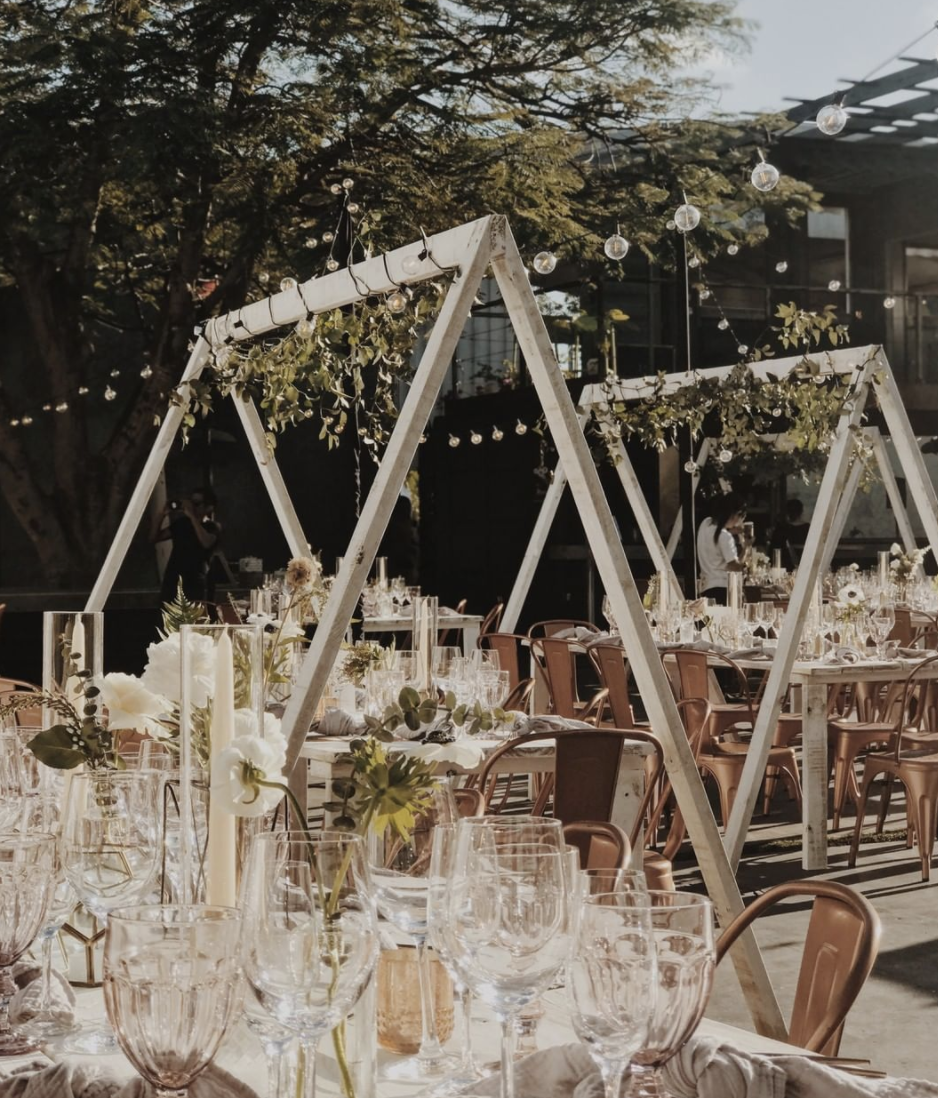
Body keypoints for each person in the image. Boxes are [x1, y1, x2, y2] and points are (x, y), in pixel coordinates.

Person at [151, 488, 221, 605]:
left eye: (197, 504)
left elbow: (206, 542)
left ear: (209, 508)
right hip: (173, 578)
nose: (192, 507)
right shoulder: (182, 523)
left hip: (195, 580)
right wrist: (162, 514)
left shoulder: (212, 526)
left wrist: (192, 517)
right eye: (191, 502)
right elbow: (154, 538)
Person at [697, 492, 747, 604]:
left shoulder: (705, 523)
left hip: (706, 587)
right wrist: (746, 548)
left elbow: (716, 537)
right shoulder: (725, 537)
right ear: (735, 515)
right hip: (723, 588)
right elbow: (734, 566)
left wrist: (732, 531)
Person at [770, 498, 810, 570]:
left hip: (784, 569)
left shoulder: (781, 530)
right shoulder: (809, 529)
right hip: (806, 567)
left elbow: (772, 553)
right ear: (801, 512)